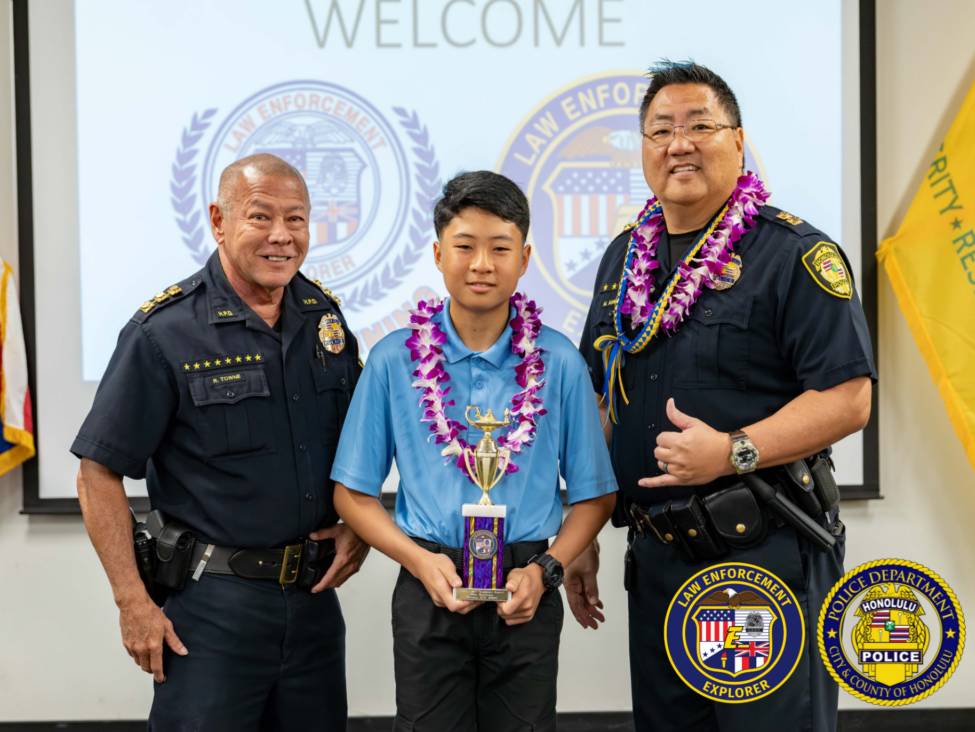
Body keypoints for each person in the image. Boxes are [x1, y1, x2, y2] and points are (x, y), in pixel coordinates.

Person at [568, 61, 876, 732]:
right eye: (660, 130)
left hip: (759, 553)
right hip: (654, 561)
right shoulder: (624, 260)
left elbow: (850, 398)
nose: (678, 143)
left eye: (698, 125)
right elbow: (601, 399)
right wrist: (581, 531)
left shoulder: (793, 254)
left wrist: (733, 452)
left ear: (737, 142)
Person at [72, 153, 370, 731]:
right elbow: (96, 473)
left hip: (312, 606)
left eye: (297, 220)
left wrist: (361, 522)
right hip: (210, 612)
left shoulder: (323, 319)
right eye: (261, 217)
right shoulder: (164, 332)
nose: (281, 236)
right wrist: (132, 602)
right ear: (219, 220)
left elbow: (359, 441)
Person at [330, 171, 618, 731]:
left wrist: (548, 569)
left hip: (528, 584)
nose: (482, 263)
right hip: (428, 580)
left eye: (499, 248)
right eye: (465, 246)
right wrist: (417, 561)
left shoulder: (558, 362)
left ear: (526, 257)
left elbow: (595, 497)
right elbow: (352, 493)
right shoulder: (394, 361)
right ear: (438, 254)